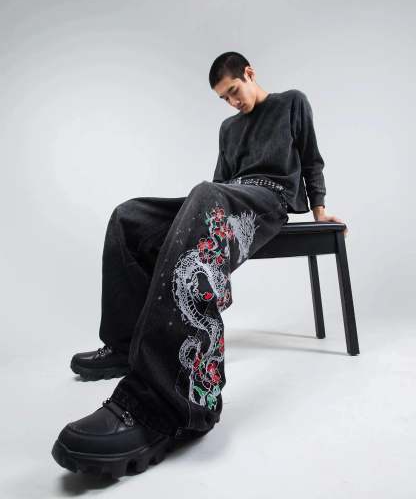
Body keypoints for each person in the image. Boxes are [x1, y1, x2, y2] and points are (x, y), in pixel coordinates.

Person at [51, 51, 347, 478]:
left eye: (234, 91)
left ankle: (171, 401)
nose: (232, 102)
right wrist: (206, 211)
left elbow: (312, 159)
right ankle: (124, 345)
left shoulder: (291, 103)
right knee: (130, 217)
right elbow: (218, 183)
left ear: (250, 73)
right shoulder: (229, 128)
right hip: (229, 196)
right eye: (224, 98)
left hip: (269, 200)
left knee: (207, 193)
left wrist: (320, 210)